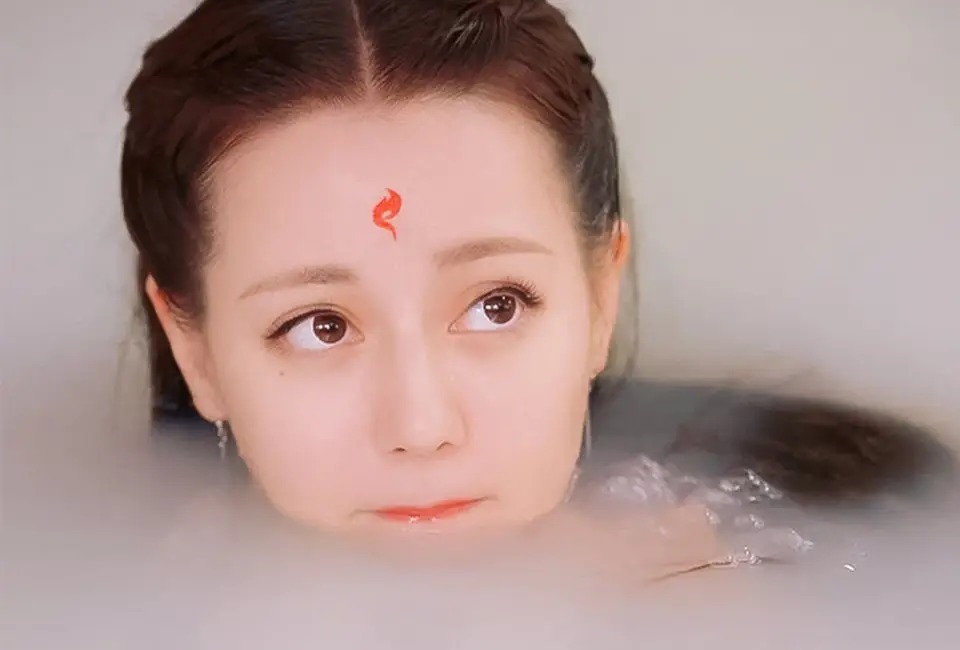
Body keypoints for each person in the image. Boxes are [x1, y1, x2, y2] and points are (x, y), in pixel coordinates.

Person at [121, 0, 953, 544]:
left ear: (599, 298)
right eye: (320, 325)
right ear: (196, 352)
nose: (422, 426)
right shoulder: (109, 602)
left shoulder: (875, 533)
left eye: (497, 305)